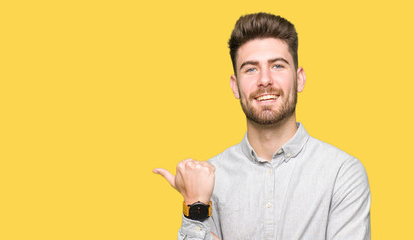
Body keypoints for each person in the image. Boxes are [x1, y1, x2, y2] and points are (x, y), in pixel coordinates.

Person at [153, 12, 371, 240]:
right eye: (251, 69)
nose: (265, 80)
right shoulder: (208, 180)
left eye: (277, 66)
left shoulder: (342, 173)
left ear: (300, 79)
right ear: (235, 86)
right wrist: (195, 208)